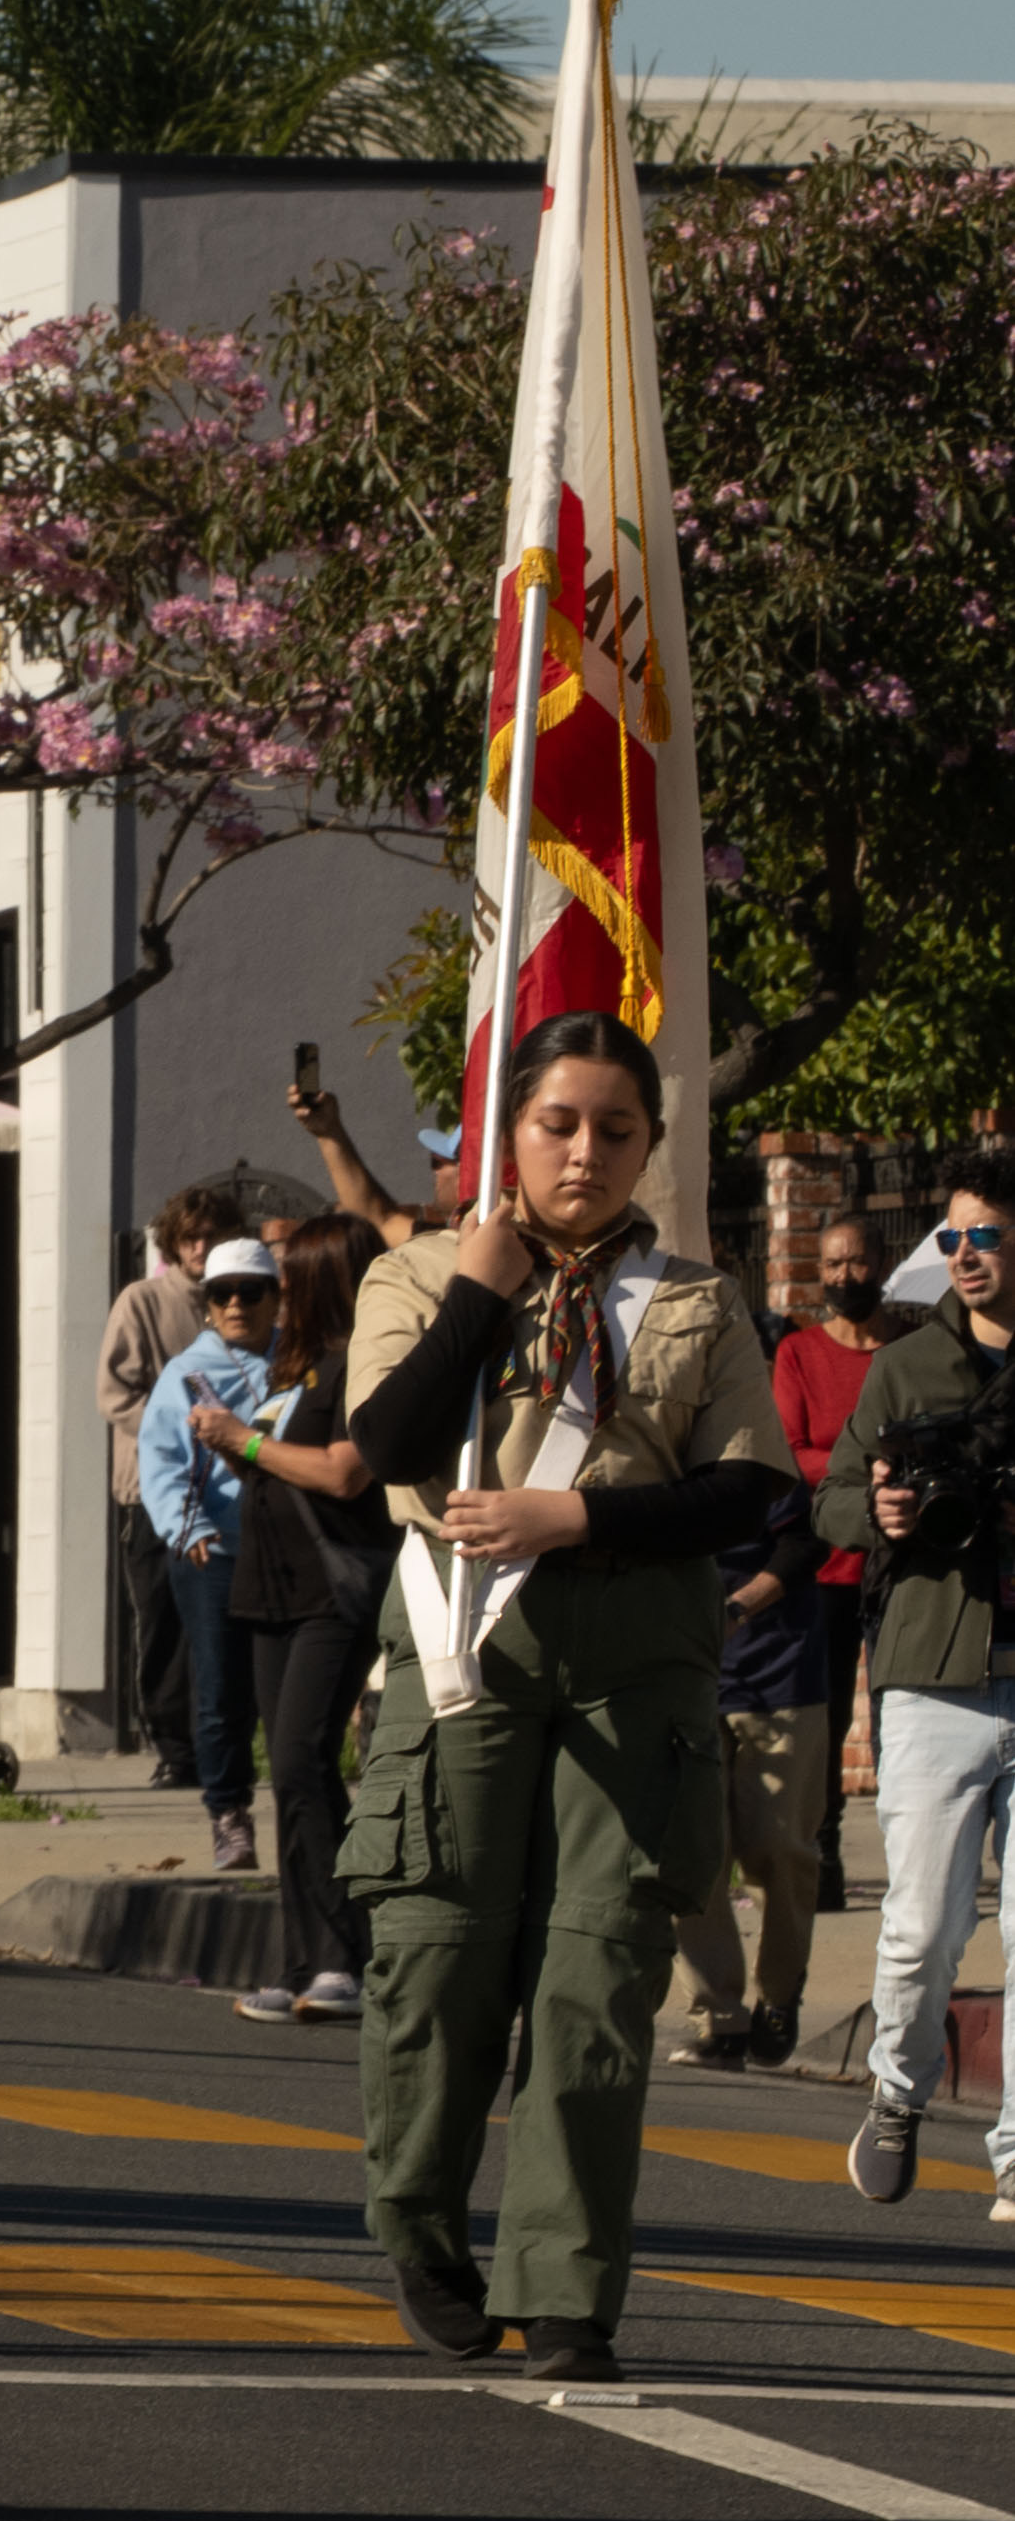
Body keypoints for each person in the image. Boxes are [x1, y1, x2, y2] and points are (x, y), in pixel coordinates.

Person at [344, 1016, 785, 2378]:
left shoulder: (694, 1301)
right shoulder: (413, 1272)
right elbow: (380, 1448)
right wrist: (479, 1291)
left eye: (613, 1127)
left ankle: (567, 2284)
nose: (582, 1150)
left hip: (634, 1639)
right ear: (504, 1130)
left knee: (597, 1968)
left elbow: (747, 1489)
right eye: (555, 1122)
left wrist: (576, 1510)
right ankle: (418, 2218)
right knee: (437, 1948)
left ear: (649, 1144)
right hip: (461, 1635)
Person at [816, 1155, 1015, 2217]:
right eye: (949, 1239)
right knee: (921, 1928)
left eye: (981, 1235)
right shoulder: (906, 1369)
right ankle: (896, 2090)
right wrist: (880, 1514)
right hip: (933, 1677)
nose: (963, 1256)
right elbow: (828, 1503)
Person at [688, 1216, 895, 2070]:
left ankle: (777, 2002)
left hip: (778, 1659)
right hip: (687, 1669)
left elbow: (800, 1521)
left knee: (782, 1849)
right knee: (693, 1855)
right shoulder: (639, 1417)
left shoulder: (759, 1406)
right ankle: (718, 2008)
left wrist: (742, 1604)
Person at [183, 1211, 393, 2026]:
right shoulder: (294, 1368)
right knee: (287, 1773)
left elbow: (343, 1472)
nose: (274, 1291)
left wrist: (247, 1440)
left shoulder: (360, 1366)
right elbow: (281, 1458)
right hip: (268, 1587)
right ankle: (301, 1959)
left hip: (330, 1590)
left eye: (289, 1275)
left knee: (306, 1760)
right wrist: (235, 1446)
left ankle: (348, 1954)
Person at [141, 1238, 293, 1874]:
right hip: (215, 1551)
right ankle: (228, 1813)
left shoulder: (303, 1364)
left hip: (290, 1551)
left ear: (274, 1299)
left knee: (288, 1692)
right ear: (206, 1305)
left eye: (251, 1292)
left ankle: (303, 1810)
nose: (236, 1305)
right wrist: (189, 1527)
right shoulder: (186, 1375)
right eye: (221, 1294)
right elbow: (162, 1462)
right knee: (220, 1690)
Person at [99, 1190, 223, 1788]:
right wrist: (181, 1426)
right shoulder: (142, 1301)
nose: (201, 1249)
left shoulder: (240, 1302)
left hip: (225, 1491)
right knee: (163, 1622)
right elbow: (114, 1392)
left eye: (211, 1237)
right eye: (191, 1238)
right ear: (173, 1244)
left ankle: (216, 1739)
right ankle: (175, 1749)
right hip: (153, 1492)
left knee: (219, 1620)